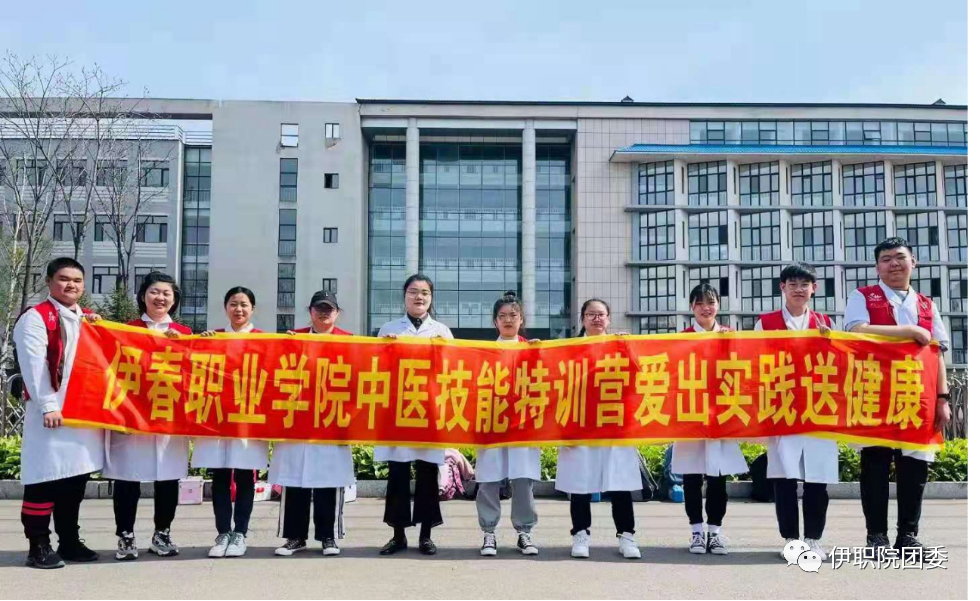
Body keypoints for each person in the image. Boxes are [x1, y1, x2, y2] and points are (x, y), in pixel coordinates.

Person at [842, 237, 951, 553]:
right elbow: (856, 329)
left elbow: (937, 353)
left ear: (913, 262)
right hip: (874, 392)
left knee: (915, 467)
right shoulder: (863, 296)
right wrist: (910, 331)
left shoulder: (927, 304)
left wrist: (942, 399)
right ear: (877, 267)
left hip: (918, 396)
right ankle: (876, 536)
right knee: (875, 464)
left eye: (900, 257)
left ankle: (908, 536)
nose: (893, 264)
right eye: (886, 259)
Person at [14, 258, 104, 569]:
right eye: (64, 279)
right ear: (49, 282)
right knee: (44, 479)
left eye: (77, 281)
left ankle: (69, 540)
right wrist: (49, 405)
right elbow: (34, 365)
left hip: (83, 413)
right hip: (52, 414)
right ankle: (38, 544)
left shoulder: (87, 319)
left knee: (74, 480)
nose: (71, 285)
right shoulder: (36, 318)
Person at [103, 271, 192, 561]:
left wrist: (184, 347)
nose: (160, 298)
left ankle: (162, 533)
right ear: (143, 296)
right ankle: (125, 536)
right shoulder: (126, 330)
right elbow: (110, 369)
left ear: (174, 300)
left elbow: (194, 375)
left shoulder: (185, 332)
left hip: (167, 417)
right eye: (154, 292)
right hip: (132, 418)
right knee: (127, 478)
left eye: (167, 293)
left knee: (167, 478)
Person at [754, 263, 836, 561]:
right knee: (784, 479)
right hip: (782, 410)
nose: (799, 289)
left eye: (805, 284)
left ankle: (813, 538)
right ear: (782, 287)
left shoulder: (825, 323)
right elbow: (756, 365)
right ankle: (791, 539)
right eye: (793, 284)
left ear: (814, 288)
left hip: (817, 411)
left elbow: (836, 366)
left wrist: (830, 343)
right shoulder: (765, 323)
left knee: (817, 479)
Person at [270, 290, 356, 557]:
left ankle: (328, 536)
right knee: (294, 480)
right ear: (310, 312)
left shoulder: (351, 342)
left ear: (337, 313)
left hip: (332, 420)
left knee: (329, 480)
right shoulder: (293, 338)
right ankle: (295, 537)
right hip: (298, 421)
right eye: (319, 308)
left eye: (329, 309)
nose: (323, 313)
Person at [555, 299, 641, 560]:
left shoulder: (619, 345)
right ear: (582, 319)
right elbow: (553, 380)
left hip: (614, 424)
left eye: (601, 314)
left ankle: (626, 535)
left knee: (620, 484)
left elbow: (638, 376)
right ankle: (580, 534)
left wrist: (628, 349)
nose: (596, 318)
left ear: (609, 318)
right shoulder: (569, 349)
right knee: (580, 484)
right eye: (591, 314)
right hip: (580, 424)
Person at [376, 274, 452, 556]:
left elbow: (453, 370)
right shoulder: (388, 329)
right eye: (413, 291)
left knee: (427, 473)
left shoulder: (442, 331)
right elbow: (377, 369)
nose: (419, 297)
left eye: (424, 293)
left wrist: (442, 351)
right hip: (398, 410)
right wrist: (385, 348)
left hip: (429, 410)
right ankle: (398, 535)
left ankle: (426, 535)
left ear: (431, 298)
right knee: (397, 472)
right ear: (404, 296)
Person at [193, 287, 268, 558]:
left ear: (253, 309)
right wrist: (199, 343)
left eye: (244, 304)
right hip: (219, 418)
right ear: (225, 307)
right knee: (221, 476)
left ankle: (240, 533)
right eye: (233, 304)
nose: (239, 309)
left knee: (246, 476)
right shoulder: (214, 337)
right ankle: (223, 532)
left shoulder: (265, 340)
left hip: (248, 418)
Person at [673, 283, 746, 555]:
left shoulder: (730, 335)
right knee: (691, 478)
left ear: (718, 306)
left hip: (722, 415)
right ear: (692, 307)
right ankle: (696, 531)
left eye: (711, 302)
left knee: (718, 478)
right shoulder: (681, 338)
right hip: (691, 415)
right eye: (700, 303)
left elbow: (743, 368)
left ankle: (714, 532)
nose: (706, 308)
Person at [476, 291, 540, 557]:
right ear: (495, 321)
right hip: (492, 423)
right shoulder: (483, 352)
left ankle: (524, 531)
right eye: (502, 316)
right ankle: (488, 532)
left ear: (521, 319)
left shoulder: (534, 349)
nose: (508, 320)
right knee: (489, 479)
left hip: (523, 424)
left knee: (523, 479)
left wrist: (540, 354)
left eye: (513, 315)